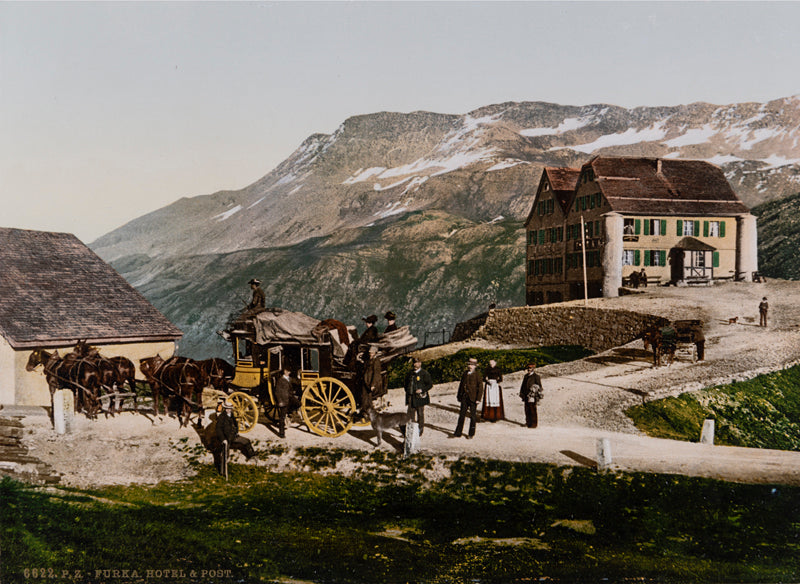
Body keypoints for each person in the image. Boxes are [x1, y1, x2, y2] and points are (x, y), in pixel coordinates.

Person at [215, 400, 257, 473]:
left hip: (234, 436)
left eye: (230, 408)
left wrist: (236, 432)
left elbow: (235, 425)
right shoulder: (221, 417)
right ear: (225, 408)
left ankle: (251, 455)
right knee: (225, 455)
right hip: (226, 438)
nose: (229, 410)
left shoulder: (232, 415)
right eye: (227, 408)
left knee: (246, 441)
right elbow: (218, 429)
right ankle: (223, 472)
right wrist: (223, 439)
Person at [453, 358, 483, 439]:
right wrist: (459, 396)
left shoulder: (477, 375)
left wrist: (478, 399)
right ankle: (458, 432)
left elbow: (480, 388)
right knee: (461, 415)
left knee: (473, 417)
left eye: (472, 365)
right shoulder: (465, 373)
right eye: (469, 364)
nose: (470, 366)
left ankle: (471, 433)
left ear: (475, 366)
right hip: (464, 398)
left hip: (473, 399)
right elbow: (461, 385)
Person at [404, 358, 432, 435]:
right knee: (410, 415)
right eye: (414, 363)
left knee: (420, 414)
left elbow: (430, 385)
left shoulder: (424, 373)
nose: (415, 365)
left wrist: (422, 390)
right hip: (411, 397)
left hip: (420, 398)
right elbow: (406, 385)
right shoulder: (409, 374)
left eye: (416, 363)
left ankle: (420, 431)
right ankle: (411, 431)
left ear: (420, 363)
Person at [519, 363, 543, 429]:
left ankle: (534, 424)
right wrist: (521, 393)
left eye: (530, 368)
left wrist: (535, 390)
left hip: (532, 396)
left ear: (533, 369)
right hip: (526, 395)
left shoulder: (536, 377)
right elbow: (523, 385)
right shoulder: (526, 376)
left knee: (532, 409)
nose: (529, 370)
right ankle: (528, 422)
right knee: (527, 409)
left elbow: (540, 387)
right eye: (528, 368)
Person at [273, 367, 293, 438]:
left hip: (289, 399)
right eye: (287, 371)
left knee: (299, 404)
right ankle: (281, 433)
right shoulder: (280, 380)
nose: (289, 373)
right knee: (282, 417)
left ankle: (290, 412)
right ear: (284, 371)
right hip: (283, 400)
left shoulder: (289, 379)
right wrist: (280, 401)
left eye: (289, 372)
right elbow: (277, 392)